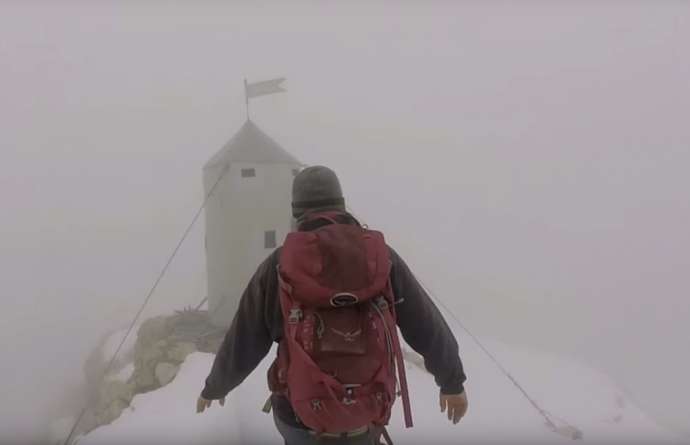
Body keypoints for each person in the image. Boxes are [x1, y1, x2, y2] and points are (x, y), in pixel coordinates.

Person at [197, 166, 468, 444]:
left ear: (296, 210)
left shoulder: (280, 266)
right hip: (366, 412)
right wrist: (452, 382)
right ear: (341, 203)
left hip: (300, 418)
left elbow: (245, 339)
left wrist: (215, 387)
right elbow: (424, 324)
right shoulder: (380, 258)